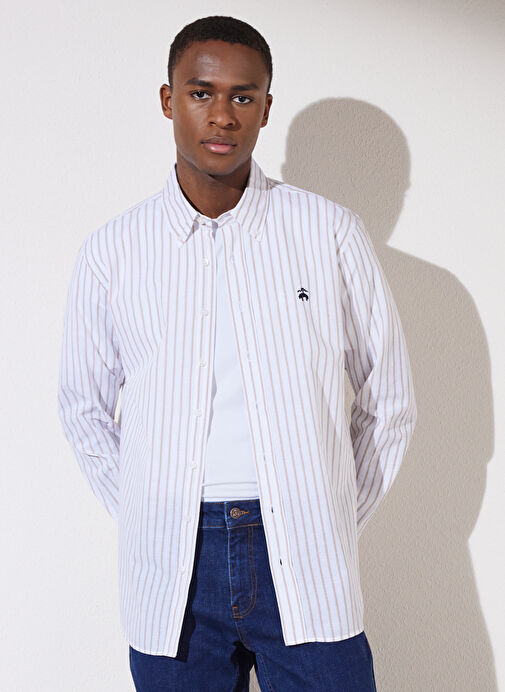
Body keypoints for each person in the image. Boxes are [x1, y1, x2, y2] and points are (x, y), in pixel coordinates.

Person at [57, 14, 417, 691]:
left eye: (242, 97)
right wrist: (149, 515)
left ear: (265, 109)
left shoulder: (328, 233)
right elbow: (83, 407)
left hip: (307, 560)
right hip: (172, 575)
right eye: (201, 93)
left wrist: (330, 516)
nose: (222, 115)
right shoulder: (114, 252)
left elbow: (389, 400)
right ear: (169, 100)